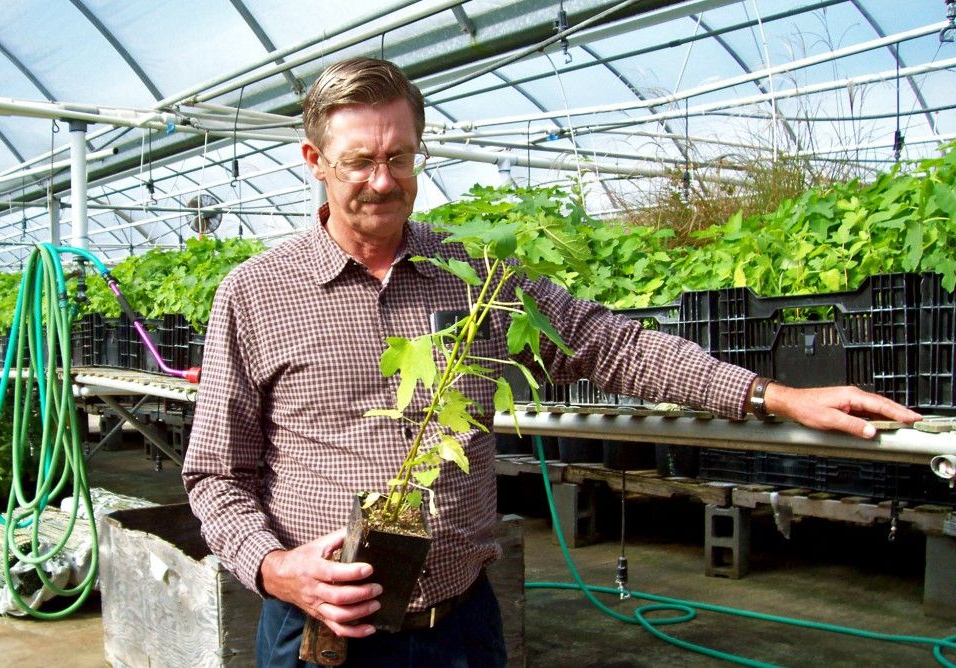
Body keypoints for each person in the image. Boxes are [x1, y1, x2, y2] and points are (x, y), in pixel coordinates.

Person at [182, 57, 921, 667]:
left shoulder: (477, 275)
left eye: (400, 157)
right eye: (360, 162)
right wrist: (274, 569)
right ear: (314, 162)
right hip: (322, 639)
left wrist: (774, 397)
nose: (384, 180)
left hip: (460, 631)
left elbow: (613, 345)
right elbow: (216, 473)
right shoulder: (255, 294)